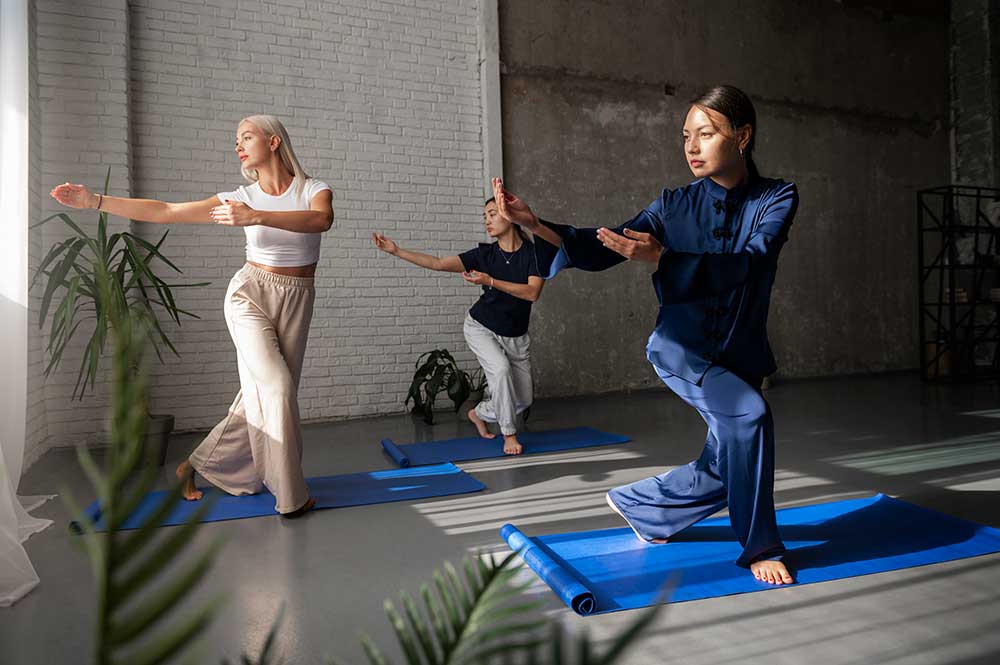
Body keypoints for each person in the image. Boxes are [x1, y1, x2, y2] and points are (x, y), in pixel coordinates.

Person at [491, 85, 799, 584]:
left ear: (742, 136)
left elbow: (752, 262)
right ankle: (760, 546)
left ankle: (643, 506)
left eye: (706, 133)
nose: (692, 146)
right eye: (686, 136)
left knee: (727, 463)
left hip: (741, 353)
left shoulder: (777, 197)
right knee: (750, 416)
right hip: (682, 350)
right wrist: (537, 224)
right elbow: (604, 246)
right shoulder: (672, 205)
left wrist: (664, 260)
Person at [50, 114, 334, 518]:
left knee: (258, 397)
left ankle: (192, 466)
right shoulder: (239, 196)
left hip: (298, 297)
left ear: (273, 142)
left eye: (247, 136)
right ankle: (292, 496)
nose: (238, 144)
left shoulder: (313, 189)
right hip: (249, 295)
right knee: (277, 388)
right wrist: (95, 201)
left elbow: (321, 220)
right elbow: (167, 210)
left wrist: (254, 216)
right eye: (235, 139)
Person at [373, 197, 544, 454]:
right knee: (499, 371)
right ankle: (509, 435)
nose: (487, 220)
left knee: (523, 399)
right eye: (484, 216)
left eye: (492, 214)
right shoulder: (483, 255)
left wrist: (490, 280)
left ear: (510, 216)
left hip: (515, 335)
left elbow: (532, 293)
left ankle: (479, 412)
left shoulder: (534, 255)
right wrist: (396, 251)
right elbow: (438, 264)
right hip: (481, 327)